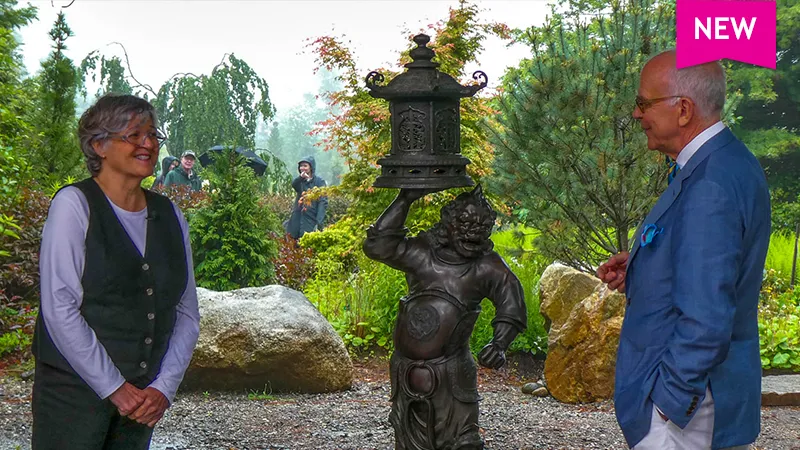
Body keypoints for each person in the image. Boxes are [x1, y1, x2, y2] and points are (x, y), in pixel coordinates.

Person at [597, 50, 770, 449]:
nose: (637, 114)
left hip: (687, 417)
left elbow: (706, 320)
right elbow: (716, 264)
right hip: (701, 402)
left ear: (684, 109)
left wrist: (668, 405)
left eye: (643, 103)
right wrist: (643, 263)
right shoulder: (726, 162)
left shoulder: (708, 183)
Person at [31, 94, 201, 449]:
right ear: (99, 146)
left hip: (142, 401)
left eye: (153, 135)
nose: (149, 144)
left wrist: (162, 388)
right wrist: (114, 388)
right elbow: (59, 309)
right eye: (134, 134)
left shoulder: (170, 215)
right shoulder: (73, 205)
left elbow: (186, 312)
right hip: (71, 399)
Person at [363, 185, 527, 449]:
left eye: (482, 227)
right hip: (405, 369)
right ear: (448, 223)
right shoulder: (422, 254)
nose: (473, 232)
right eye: (465, 223)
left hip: (451, 371)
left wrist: (499, 344)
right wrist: (405, 199)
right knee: (407, 438)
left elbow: (511, 304)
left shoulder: (487, 266)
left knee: (462, 440)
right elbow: (377, 245)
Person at [284, 155, 327, 239]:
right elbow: (294, 185)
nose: (302, 168)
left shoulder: (319, 182)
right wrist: (300, 177)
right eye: (301, 166)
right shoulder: (300, 181)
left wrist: (319, 222)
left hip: (311, 217)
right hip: (297, 216)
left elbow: (323, 201)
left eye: (305, 166)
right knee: (293, 240)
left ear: (311, 167)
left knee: (308, 241)